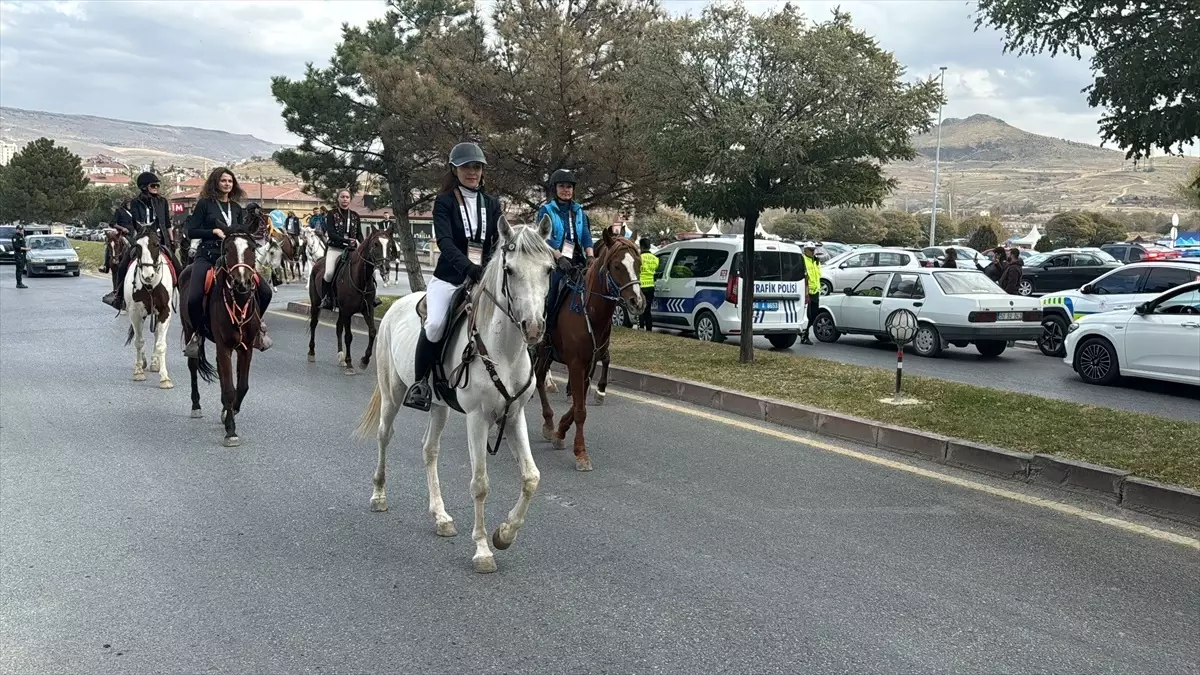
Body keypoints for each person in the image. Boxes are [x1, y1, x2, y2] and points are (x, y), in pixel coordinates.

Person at [402, 142, 501, 411]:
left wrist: (490, 270)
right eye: (467, 167)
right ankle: (420, 383)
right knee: (434, 325)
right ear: (455, 170)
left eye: (477, 167)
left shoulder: (491, 204)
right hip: (449, 278)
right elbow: (445, 243)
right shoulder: (444, 202)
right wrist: (469, 269)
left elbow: (497, 241)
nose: (472, 172)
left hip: (483, 278)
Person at [183, 167, 273, 357]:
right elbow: (191, 231)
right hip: (208, 255)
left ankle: (256, 328)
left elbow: (242, 233)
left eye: (230, 181)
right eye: (223, 180)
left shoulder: (237, 208)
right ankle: (197, 335)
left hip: (233, 258)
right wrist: (212, 232)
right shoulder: (204, 205)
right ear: (215, 182)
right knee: (194, 296)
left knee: (264, 291)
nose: (227, 184)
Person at [103, 172, 182, 309]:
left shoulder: (162, 201)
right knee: (122, 266)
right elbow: (136, 221)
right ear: (144, 187)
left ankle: (183, 295)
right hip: (142, 239)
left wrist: (171, 240)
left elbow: (167, 223)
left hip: (160, 240)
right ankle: (119, 297)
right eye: (153, 185)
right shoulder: (135, 203)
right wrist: (145, 232)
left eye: (158, 185)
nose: (157, 187)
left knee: (178, 266)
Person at [538, 168, 594, 335]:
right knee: (553, 289)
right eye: (562, 186)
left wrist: (590, 256)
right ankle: (548, 330)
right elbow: (546, 238)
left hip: (577, 261)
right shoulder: (546, 210)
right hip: (555, 261)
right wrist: (560, 258)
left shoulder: (578, 210)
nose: (566, 190)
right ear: (554, 189)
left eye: (569, 186)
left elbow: (585, 235)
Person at [798, 242, 822, 345]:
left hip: (815, 291)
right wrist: (806, 292)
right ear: (805, 250)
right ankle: (804, 334)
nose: (813, 251)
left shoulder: (815, 261)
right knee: (808, 315)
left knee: (814, 314)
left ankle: (804, 332)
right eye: (810, 250)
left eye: (813, 250)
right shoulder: (803, 260)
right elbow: (805, 277)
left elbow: (817, 275)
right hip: (808, 292)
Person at [637, 238, 658, 330]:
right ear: (649, 246)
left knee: (640, 308)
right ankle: (649, 328)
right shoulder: (655, 259)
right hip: (650, 286)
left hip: (640, 286)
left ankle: (641, 327)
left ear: (641, 247)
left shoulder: (638, 258)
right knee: (648, 309)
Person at [11, 224, 28, 289]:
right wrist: (26, 249)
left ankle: (20, 282)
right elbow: (16, 247)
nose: (21, 231)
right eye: (19, 229)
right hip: (19, 254)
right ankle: (19, 283)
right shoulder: (15, 237)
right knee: (19, 269)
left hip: (22, 255)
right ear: (17, 230)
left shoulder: (22, 236)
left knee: (21, 268)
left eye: (22, 229)